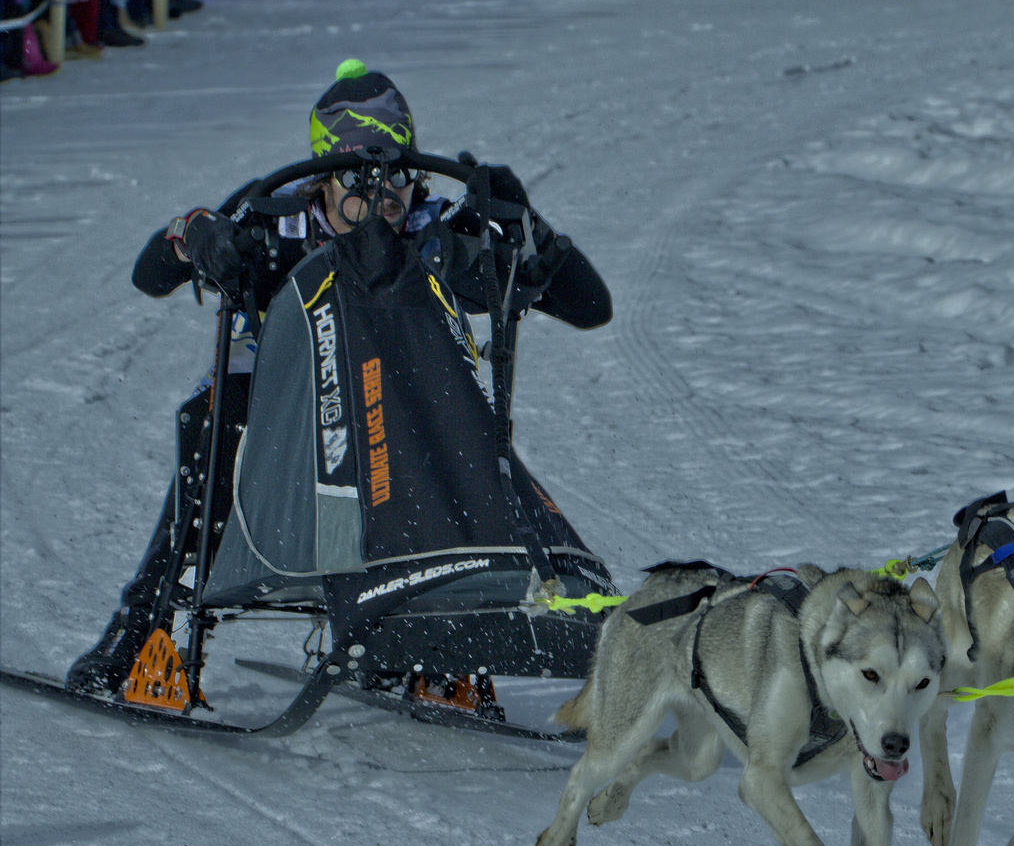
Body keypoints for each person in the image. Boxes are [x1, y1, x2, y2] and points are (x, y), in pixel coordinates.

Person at [67, 60, 611, 695]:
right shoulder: (274, 224)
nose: (381, 196)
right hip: (280, 429)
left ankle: (444, 642)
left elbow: (590, 307)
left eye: (397, 176)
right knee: (212, 415)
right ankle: (140, 627)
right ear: (321, 182)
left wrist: (530, 228)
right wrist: (198, 233)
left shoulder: (436, 233)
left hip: (396, 429)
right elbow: (151, 272)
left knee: (462, 421)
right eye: (358, 178)